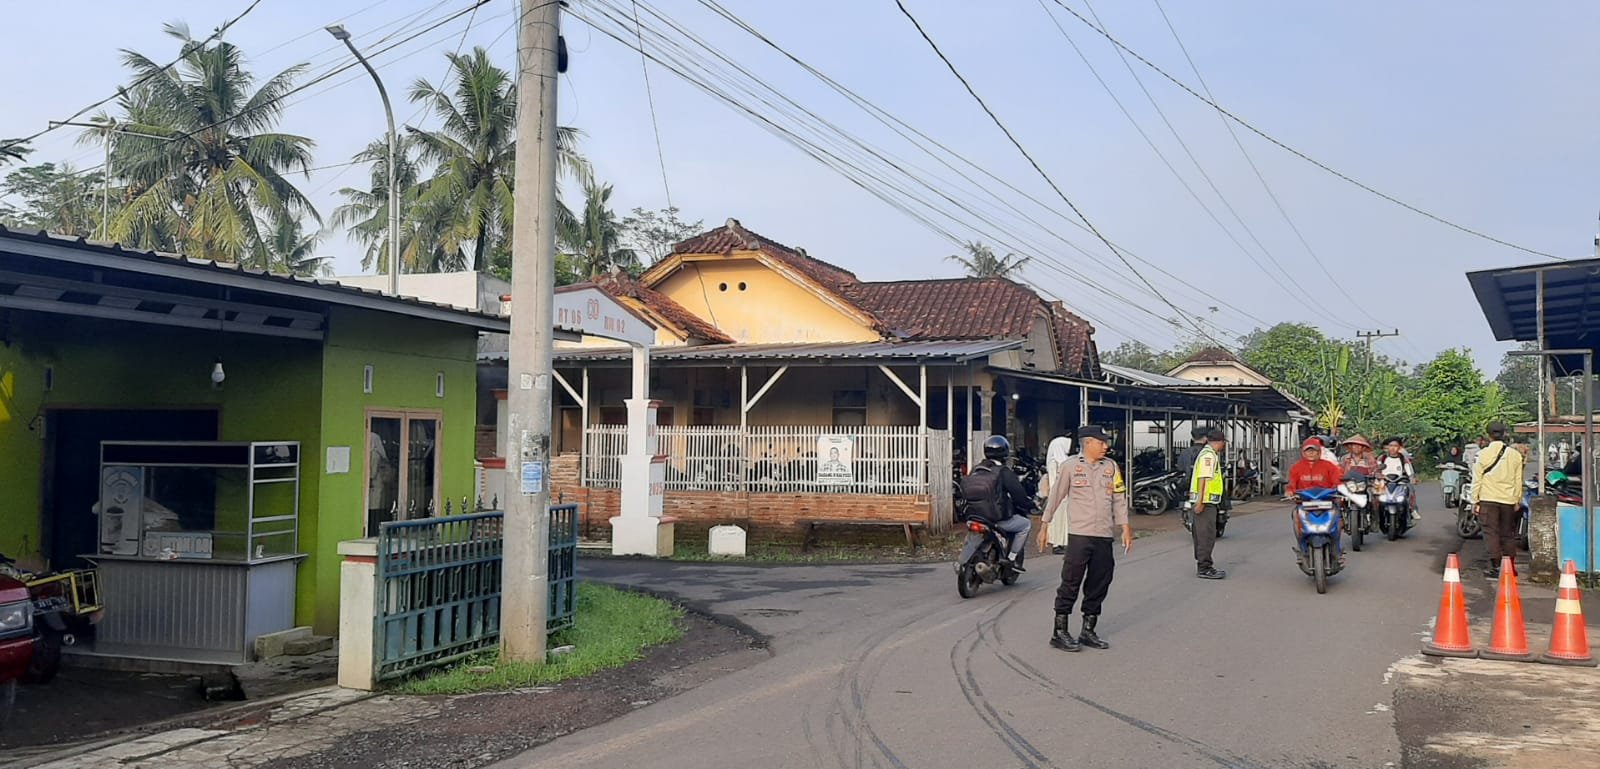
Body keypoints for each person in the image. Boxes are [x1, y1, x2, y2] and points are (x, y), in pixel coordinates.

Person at [1036, 425, 1132, 652]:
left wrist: (1125, 527)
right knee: (1071, 581)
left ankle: (1088, 630)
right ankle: (1059, 631)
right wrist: (1044, 525)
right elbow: (1056, 495)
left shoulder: (1110, 467)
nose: (1106, 446)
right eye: (1101, 442)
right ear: (1088, 443)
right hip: (1080, 535)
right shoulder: (1070, 466)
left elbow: (1119, 498)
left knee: (1100, 581)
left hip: (1104, 535)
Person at [959, 435, 1036, 569]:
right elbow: (1019, 495)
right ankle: (1011, 559)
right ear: (1005, 452)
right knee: (1025, 525)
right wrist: (1030, 505)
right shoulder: (1003, 472)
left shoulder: (975, 470)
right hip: (996, 519)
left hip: (973, 517)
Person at [1472, 422, 1526, 579]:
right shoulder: (1515, 455)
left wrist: (1474, 500)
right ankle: (1510, 566)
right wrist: (1517, 500)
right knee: (1508, 534)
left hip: (1488, 500)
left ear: (1488, 435)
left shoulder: (1482, 455)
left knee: (1491, 533)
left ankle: (1496, 567)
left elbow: (1477, 480)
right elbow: (1518, 480)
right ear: (1504, 434)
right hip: (1508, 501)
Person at [1287, 438, 1348, 562]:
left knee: (1338, 520)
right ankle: (1302, 549)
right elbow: (1291, 484)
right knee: (1296, 517)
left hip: (1327, 502)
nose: (1311, 453)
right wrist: (1289, 492)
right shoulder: (1296, 468)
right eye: (1308, 451)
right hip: (1304, 503)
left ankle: (1336, 550)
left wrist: (1340, 489)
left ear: (1319, 452)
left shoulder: (1329, 466)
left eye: (1313, 450)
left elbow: (1337, 480)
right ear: (1303, 452)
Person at [1188, 428, 1228, 580]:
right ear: (1219, 442)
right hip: (1205, 502)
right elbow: (1203, 479)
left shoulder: (1208, 454)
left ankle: (1204, 564)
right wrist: (1201, 502)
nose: (1223, 445)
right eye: (1223, 442)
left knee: (1203, 534)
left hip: (1207, 501)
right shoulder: (1208, 456)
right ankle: (1204, 567)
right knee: (1206, 535)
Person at [1043, 434, 1074, 554]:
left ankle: (1063, 543)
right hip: (1059, 497)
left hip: (1063, 496)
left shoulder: (1060, 460)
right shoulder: (1055, 462)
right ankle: (1057, 544)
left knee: (1063, 521)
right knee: (1057, 521)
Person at [1378, 437, 1420, 521]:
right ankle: (1372, 515)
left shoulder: (1403, 459)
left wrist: (1412, 478)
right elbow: (1376, 468)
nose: (1393, 448)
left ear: (1400, 447)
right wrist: (1378, 475)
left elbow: (1409, 471)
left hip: (1399, 481)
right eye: (1391, 446)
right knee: (1375, 495)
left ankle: (1412, 510)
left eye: (1395, 446)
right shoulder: (1382, 458)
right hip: (1384, 482)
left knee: (1410, 490)